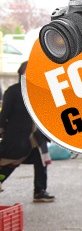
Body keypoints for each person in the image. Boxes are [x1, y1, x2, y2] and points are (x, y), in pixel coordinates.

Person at [0, 61, 55, 202]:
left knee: (41, 162)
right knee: (10, 163)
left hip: (37, 137)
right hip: (17, 137)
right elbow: (4, 114)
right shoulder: (13, 92)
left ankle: (40, 191)